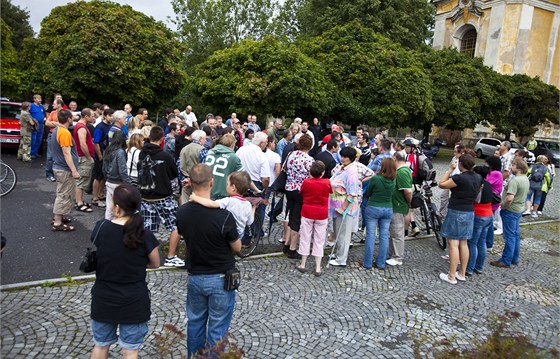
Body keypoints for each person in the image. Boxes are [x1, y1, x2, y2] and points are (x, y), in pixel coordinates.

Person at [176, 164, 241, 358]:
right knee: (217, 326)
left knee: (195, 322)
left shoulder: (182, 212)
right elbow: (237, 247)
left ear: (191, 183)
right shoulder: (223, 215)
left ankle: (194, 356)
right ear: (212, 182)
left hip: (195, 275)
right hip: (221, 277)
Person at [89, 184, 160, 359]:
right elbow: (155, 263)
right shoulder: (144, 234)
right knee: (130, 350)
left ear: (117, 207)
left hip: (104, 297)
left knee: (101, 345)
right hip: (134, 300)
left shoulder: (100, 228)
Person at [138, 127, 183, 267]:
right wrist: (177, 194)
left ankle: (148, 257)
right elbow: (174, 177)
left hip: (146, 197)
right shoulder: (165, 156)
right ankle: (171, 256)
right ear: (162, 139)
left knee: (148, 229)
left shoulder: (141, 154)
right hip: (164, 197)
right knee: (176, 226)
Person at [438, 153, 482, 284]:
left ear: (460, 164)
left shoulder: (459, 178)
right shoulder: (479, 177)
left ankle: (451, 275)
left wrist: (450, 169)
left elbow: (442, 184)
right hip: (469, 211)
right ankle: (461, 273)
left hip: (457, 211)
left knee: (453, 243)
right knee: (464, 243)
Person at [189, 171, 254, 242]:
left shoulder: (229, 201)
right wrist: (254, 208)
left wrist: (195, 198)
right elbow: (249, 222)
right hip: (239, 236)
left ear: (233, 187)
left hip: (226, 233)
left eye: (227, 184)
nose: (226, 186)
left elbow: (212, 204)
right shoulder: (247, 204)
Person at [491, 157, 530, 268]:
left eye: (513, 165)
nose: (511, 167)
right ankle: (514, 258)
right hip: (518, 210)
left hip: (511, 210)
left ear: (518, 167)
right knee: (515, 234)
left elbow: (509, 198)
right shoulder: (525, 179)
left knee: (509, 236)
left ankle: (506, 260)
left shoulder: (515, 180)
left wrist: (503, 206)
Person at [296, 161, 332, 276]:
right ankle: (317, 267)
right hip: (321, 213)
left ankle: (303, 263)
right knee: (319, 239)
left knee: (305, 237)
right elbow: (330, 192)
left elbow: (301, 192)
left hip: (307, 212)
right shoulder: (327, 182)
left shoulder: (306, 182)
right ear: (322, 173)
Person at [327, 147, 361, 267]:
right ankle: (338, 254)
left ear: (351, 158)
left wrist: (343, 208)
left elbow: (352, 193)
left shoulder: (351, 172)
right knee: (338, 232)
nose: (342, 158)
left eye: (345, 157)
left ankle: (341, 259)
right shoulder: (342, 169)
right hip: (336, 206)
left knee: (343, 234)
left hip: (345, 209)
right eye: (342, 156)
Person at [283, 134, 314, 259]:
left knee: (291, 216)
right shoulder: (309, 159)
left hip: (289, 188)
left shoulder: (291, 154)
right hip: (301, 191)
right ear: (310, 145)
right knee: (297, 219)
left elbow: (284, 169)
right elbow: (312, 176)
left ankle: (286, 243)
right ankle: (292, 248)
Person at [362, 158, 396, 270]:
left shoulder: (376, 179)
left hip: (373, 207)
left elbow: (368, 192)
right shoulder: (394, 180)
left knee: (371, 235)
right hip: (388, 208)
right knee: (384, 236)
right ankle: (381, 262)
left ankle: (367, 262)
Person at [50, 109, 80, 231]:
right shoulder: (64, 133)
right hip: (64, 169)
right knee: (64, 195)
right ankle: (57, 222)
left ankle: (60, 216)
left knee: (62, 193)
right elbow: (67, 153)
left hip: (59, 167)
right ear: (68, 119)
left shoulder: (57, 130)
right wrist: (74, 170)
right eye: (71, 118)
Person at [466, 165, 494, 276]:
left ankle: (469, 268)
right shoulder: (488, 184)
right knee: (482, 242)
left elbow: (475, 200)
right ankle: (479, 267)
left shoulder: (478, 185)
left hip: (479, 215)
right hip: (488, 215)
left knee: (472, 243)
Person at [386, 152, 413, 266]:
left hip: (398, 205)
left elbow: (408, 191)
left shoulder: (402, 172)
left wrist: (408, 202)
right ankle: (393, 254)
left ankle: (397, 257)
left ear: (395, 159)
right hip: (397, 204)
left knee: (397, 231)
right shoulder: (403, 170)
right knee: (394, 231)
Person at [103, 131, 131, 220]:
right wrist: (128, 183)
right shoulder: (120, 152)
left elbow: (104, 167)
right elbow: (122, 170)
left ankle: (107, 224)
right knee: (119, 207)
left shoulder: (108, 150)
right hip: (117, 182)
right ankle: (116, 225)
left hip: (109, 180)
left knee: (109, 206)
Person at [205, 134, 243, 200]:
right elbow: (242, 175)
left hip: (207, 189)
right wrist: (256, 190)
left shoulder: (210, 152)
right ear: (232, 145)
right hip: (222, 191)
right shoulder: (233, 157)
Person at [73, 108, 96, 212]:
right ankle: (79, 203)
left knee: (82, 180)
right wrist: (88, 157)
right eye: (92, 116)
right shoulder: (81, 128)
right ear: (86, 116)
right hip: (83, 157)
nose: (93, 118)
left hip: (83, 156)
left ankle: (80, 200)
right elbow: (83, 144)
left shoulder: (81, 126)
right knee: (81, 181)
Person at [180, 130, 207, 203]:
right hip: (198, 182)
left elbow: (179, 165)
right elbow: (204, 167)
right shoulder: (202, 150)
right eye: (205, 139)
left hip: (185, 180)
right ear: (201, 139)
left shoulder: (184, 149)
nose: (206, 140)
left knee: (185, 204)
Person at [484, 155, 504, 247]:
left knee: (489, 223)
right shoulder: (497, 173)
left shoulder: (495, 174)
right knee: (489, 222)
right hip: (492, 200)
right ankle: (488, 242)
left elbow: (486, 183)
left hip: (491, 200)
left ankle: (488, 243)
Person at [45, 99, 64, 182]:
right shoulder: (53, 113)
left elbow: (67, 124)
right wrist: (58, 124)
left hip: (62, 135)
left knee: (62, 154)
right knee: (50, 156)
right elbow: (46, 123)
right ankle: (49, 174)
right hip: (52, 135)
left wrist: (53, 123)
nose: (52, 105)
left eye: (54, 104)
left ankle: (60, 173)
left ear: (59, 104)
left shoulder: (65, 113)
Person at [29, 94, 45, 159]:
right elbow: (27, 114)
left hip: (41, 125)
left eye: (40, 99)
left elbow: (43, 113)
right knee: (33, 139)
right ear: (34, 99)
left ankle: (36, 152)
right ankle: (31, 153)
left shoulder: (41, 107)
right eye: (38, 99)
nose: (40, 100)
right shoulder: (31, 105)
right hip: (34, 125)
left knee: (39, 139)